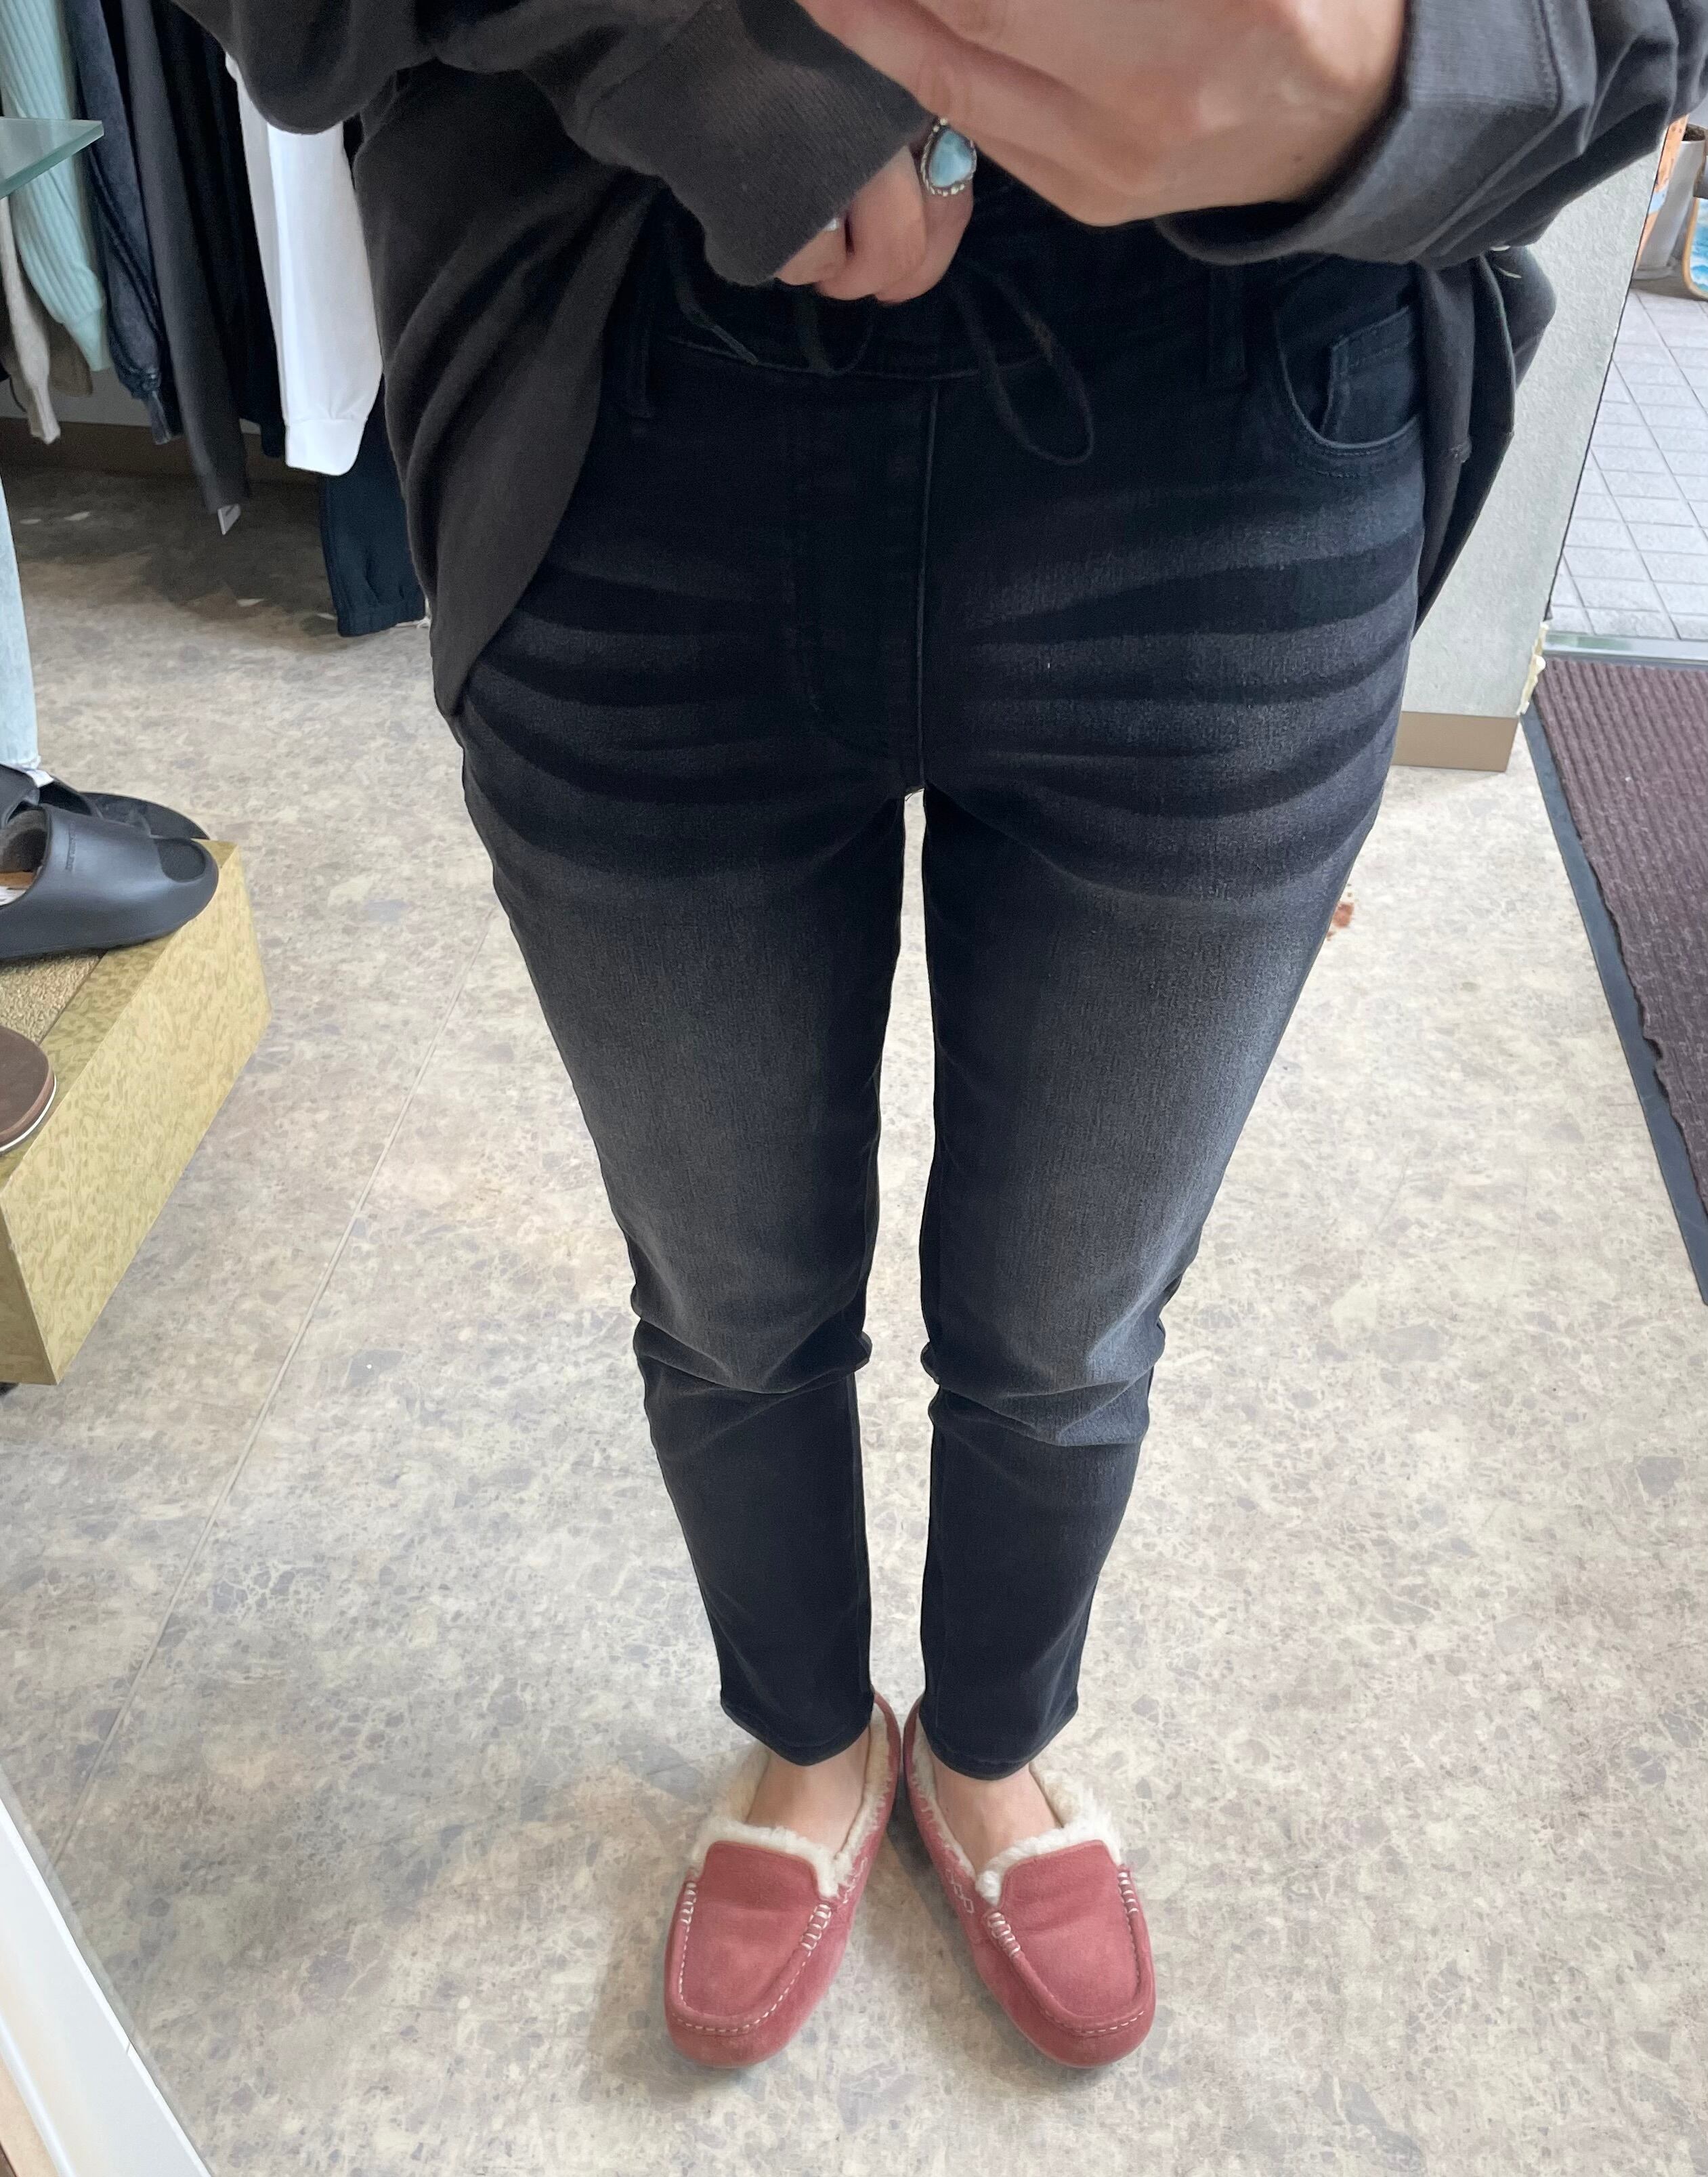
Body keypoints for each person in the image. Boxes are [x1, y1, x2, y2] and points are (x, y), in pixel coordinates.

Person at [189, 0, 1708, 2071]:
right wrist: (696, 57)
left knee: (1073, 1316)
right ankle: (809, 1732)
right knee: (726, 1295)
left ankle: (989, 1740)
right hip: (619, 375)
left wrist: (1415, 66)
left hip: (1253, 421)